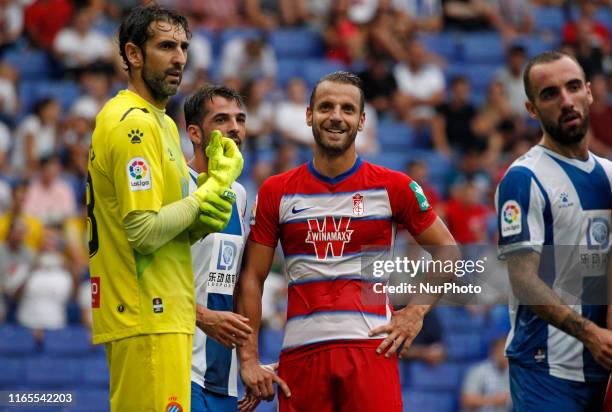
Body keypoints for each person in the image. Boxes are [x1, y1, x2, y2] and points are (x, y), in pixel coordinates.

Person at [235, 71, 457, 411]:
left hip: (371, 351)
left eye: (347, 109)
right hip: (301, 356)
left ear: (362, 120)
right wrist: (248, 358)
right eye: (326, 107)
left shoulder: (393, 186)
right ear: (308, 115)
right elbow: (252, 278)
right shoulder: (275, 191)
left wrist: (416, 310)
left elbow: (449, 251)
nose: (336, 116)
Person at [87, 6, 242, 412]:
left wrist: (199, 218)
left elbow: (167, 227)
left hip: (166, 315)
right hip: (145, 314)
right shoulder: (130, 124)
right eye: (166, 46)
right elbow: (142, 230)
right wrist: (205, 198)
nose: (180, 58)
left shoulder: (162, 124)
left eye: (184, 47)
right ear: (134, 54)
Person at [495, 51, 612, 411]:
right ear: (532, 109)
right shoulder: (524, 178)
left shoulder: (609, 174)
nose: (566, 101)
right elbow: (523, 280)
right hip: (546, 370)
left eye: (573, 87)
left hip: (603, 371)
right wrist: (590, 334)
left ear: (589, 93)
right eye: (550, 94)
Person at [183, 85, 255, 412]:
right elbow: (146, 277)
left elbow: (234, 281)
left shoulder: (239, 195)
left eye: (240, 119)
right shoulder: (175, 183)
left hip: (222, 378)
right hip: (179, 365)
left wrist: (250, 363)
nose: (234, 128)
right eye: (222, 119)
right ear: (195, 133)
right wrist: (201, 316)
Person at [460, 334, 511, 412]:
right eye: (502, 350)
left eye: (508, 351)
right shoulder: (478, 370)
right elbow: (466, 400)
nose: (505, 355)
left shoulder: (514, 373)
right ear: (494, 351)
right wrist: (493, 400)